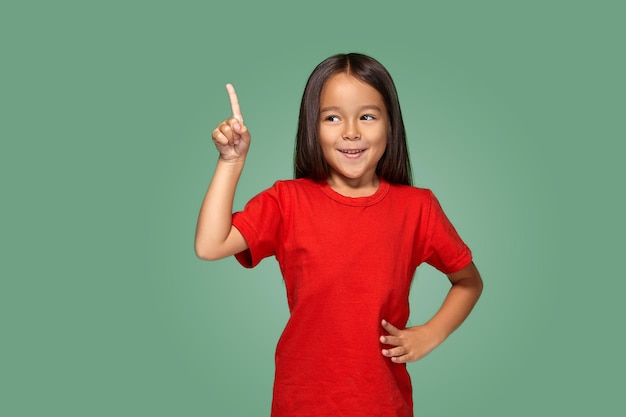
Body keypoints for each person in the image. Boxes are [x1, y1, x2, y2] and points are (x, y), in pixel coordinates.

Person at [195, 53, 483, 417]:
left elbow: (468, 281)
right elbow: (209, 245)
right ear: (311, 127)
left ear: (390, 125)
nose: (351, 131)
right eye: (332, 117)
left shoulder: (417, 208)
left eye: (367, 116)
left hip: (383, 404)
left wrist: (430, 334)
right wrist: (231, 162)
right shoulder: (288, 201)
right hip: (300, 404)